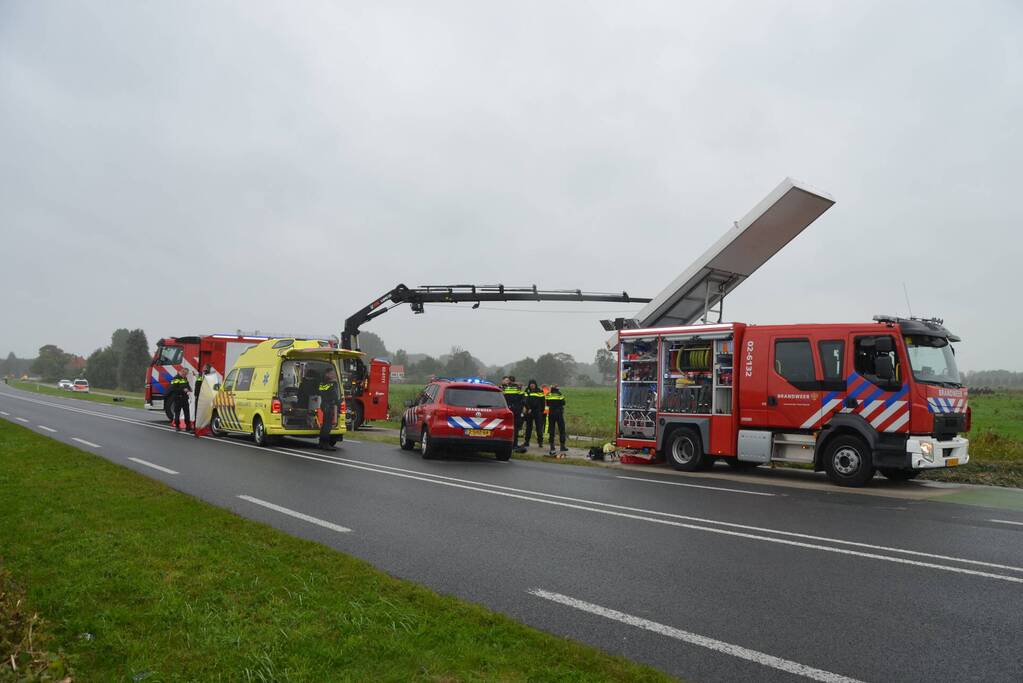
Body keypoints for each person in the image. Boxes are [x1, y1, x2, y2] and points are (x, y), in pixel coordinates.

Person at [317, 366, 342, 451]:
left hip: (323, 404)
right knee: (327, 426)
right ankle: (325, 443)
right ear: (327, 374)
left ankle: (321, 443)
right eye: (332, 373)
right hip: (329, 405)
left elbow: (320, 392)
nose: (333, 375)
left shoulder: (322, 383)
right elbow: (334, 395)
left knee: (324, 424)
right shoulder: (333, 383)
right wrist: (339, 403)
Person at [501, 375, 526, 451]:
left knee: (505, 427)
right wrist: (520, 407)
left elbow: (501, 398)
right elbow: (523, 399)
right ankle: (514, 444)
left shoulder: (504, 388)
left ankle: (506, 444)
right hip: (515, 411)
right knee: (515, 428)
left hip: (507, 410)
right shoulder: (518, 388)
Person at [522, 379, 546, 450]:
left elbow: (543, 401)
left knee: (539, 427)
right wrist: (528, 408)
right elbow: (524, 401)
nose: (532, 385)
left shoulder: (539, 391)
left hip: (537, 412)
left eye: (533, 384)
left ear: (535, 384)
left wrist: (542, 411)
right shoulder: (527, 391)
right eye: (530, 384)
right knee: (528, 427)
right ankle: (527, 442)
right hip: (529, 411)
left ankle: (540, 442)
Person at [546, 384, 567, 455]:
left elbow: (547, 403)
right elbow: (563, 403)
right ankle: (562, 446)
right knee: (562, 429)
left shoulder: (548, 394)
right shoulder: (559, 394)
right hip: (559, 413)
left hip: (551, 413)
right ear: (557, 389)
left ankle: (552, 447)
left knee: (551, 430)